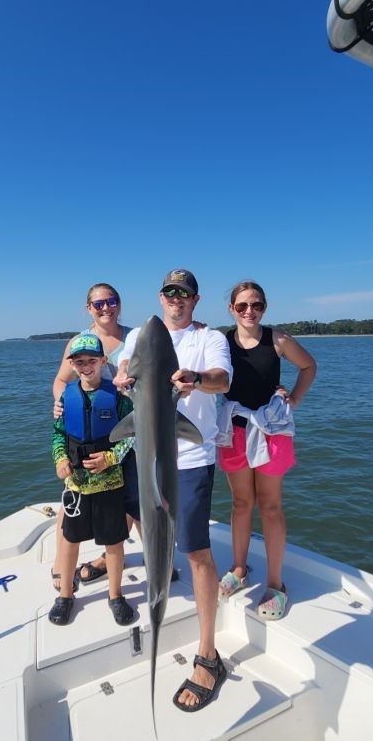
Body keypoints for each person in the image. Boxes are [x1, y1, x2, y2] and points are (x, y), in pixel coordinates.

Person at [115, 268, 232, 713]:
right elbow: (126, 366)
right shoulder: (145, 335)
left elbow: (222, 379)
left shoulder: (210, 338)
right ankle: (157, 585)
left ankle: (208, 656)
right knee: (146, 530)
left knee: (196, 551)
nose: (176, 299)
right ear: (161, 297)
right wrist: (124, 375)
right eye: (169, 292)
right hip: (142, 453)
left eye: (184, 294)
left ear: (195, 300)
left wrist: (196, 380)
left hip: (189, 459)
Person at [216, 280, 317, 619]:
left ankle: (276, 583)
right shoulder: (221, 342)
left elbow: (308, 366)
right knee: (241, 502)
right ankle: (239, 568)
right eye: (242, 305)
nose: (249, 311)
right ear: (231, 309)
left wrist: (295, 399)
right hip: (233, 430)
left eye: (256, 305)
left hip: (271, 430)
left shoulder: (278, 340)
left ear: (264, 308)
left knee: (270, 506)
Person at [50, 283, 138, 588]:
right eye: (98, 303)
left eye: (111, 301)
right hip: (91, 435)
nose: (105, 308)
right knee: (72, 501)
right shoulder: (79, 343)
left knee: (134, 499)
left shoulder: (135, 338)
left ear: (119, 303)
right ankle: (62, 569)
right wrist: (63, 407)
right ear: (89, 308)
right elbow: (61, 381)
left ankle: (148, 559)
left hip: (130, 430)